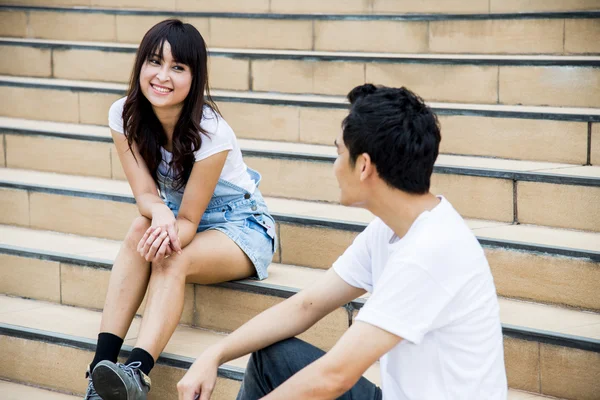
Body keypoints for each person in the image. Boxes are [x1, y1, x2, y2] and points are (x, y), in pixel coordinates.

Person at [176, 84, 508, 400]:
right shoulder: (392, 229)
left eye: (338, 152)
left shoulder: (431, 251)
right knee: (275, 357)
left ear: (363, 166)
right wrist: (214, 354)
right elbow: (307, 305)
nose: (334, 166)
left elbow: (336, 376)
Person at [84, 19, 276, 400]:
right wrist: (160, 215)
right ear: (140, 64)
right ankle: (99, 372)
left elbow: (189, 220)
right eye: (155, 62)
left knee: (171, 258)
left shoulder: (211, 131)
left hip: (239, 224)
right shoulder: (123, 115)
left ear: (195, 77)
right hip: (177, 215)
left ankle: (137, 372)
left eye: (178, 67)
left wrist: (169, 225)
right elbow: (145, 194)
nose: (162, 76)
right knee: (139, 230)